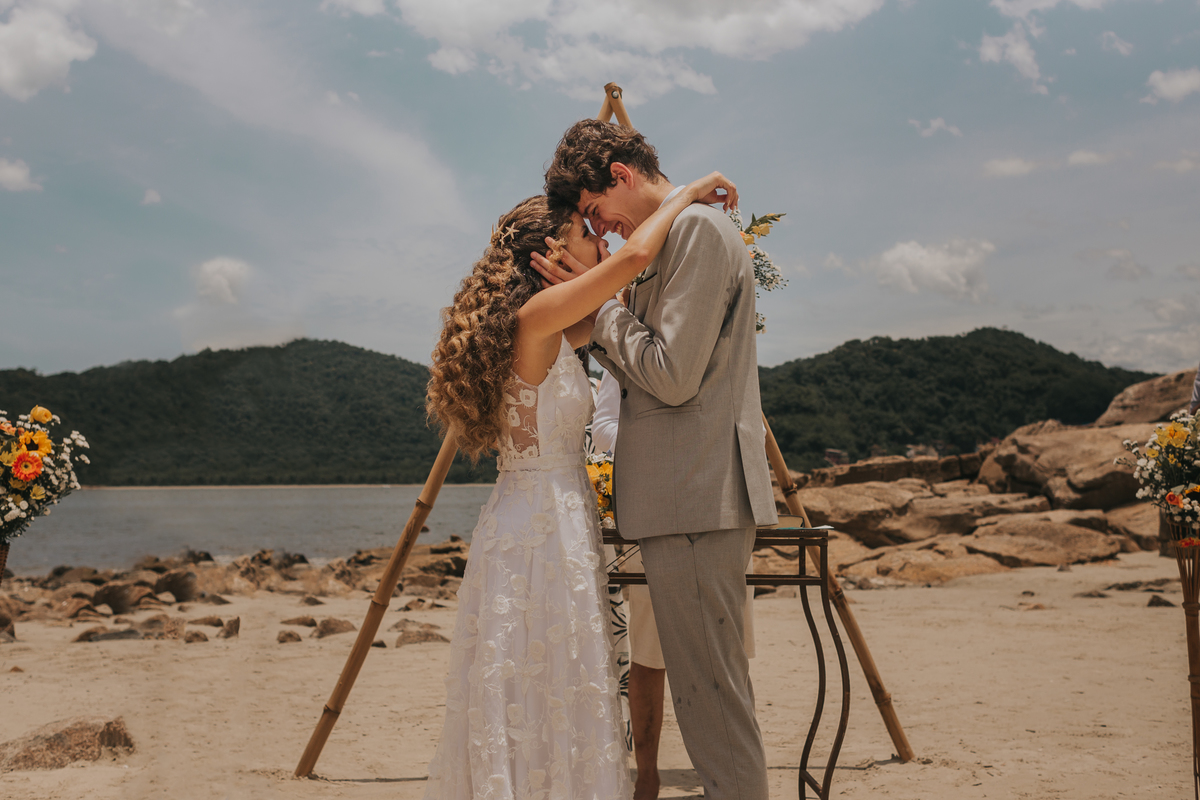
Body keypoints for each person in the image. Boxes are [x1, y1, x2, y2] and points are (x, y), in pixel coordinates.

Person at [422, 173, 739, 800]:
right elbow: (638, 257)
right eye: (586, 232)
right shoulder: (538, 317)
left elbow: (628, 324)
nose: (600, 241)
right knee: (546, 682)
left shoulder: (551, 324)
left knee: (549, 686)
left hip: (540, 518)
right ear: (553, 250)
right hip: (542, 528)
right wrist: (683, 193)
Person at [539, 119, 778, 800]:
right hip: (685, 499)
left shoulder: (699, 233)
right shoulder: (671, 241)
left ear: (619, 174)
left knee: (714, 702)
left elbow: (672, 376)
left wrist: (604, 308)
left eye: (594, 210)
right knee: (707, 701)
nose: (603, 229)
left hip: (699, 496)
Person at [592, 371, 757, 800]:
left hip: (720, 506)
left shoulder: (725, 353)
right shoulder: (624, 358)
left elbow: (747, 422)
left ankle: (724, 776)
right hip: (659, 516)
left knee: (726, 656)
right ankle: (648, 775)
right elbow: (604, 430)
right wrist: (669, 434)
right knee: (650, 656)